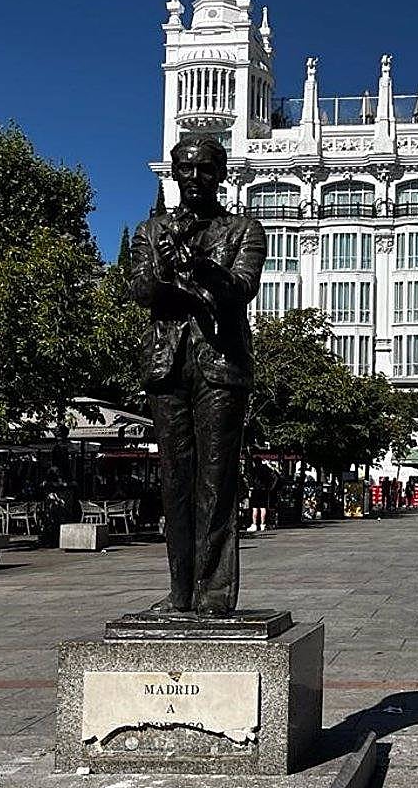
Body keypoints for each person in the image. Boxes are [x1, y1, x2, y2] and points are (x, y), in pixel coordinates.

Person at [131, 135, 265, 617]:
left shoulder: (244, 230)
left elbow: (241, 288)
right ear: (174, 174)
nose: (194, 177)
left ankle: (213, 593)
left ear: (221, 174)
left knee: (216, 480)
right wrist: (184, 284)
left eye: (205, 168)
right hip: (167, 364)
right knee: (174, 480)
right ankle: (180, 591)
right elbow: (142, 289)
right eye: (185, 168)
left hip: (221, 366)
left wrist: (200, 270)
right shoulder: (152, 231)